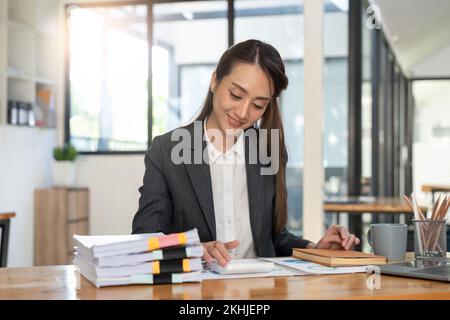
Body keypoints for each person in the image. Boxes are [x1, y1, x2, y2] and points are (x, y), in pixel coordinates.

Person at [132, 39, 360, 267]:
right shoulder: (166, 151)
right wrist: (195, 249)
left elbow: (275, 237)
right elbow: (146, 238)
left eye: (258, 105)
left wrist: (313, 249)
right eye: (236, 95)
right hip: (197, 293)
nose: (242, 113)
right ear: (214, 81)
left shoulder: (269, 151)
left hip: (261, 291)